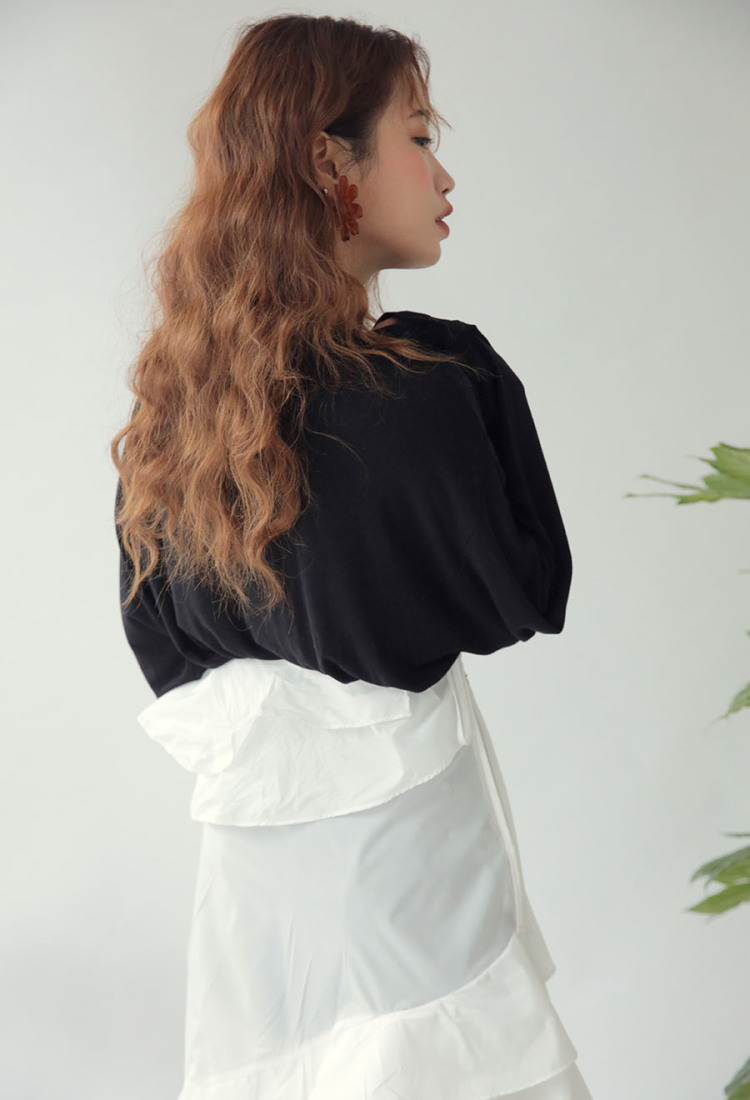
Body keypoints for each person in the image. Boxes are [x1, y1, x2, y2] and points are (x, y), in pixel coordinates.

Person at [111, 13, 592, 1100]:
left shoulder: (176, 421)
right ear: (331, 162)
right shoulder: (417, 394)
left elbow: (165, 650)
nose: (444, 173)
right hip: (411, 880)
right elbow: (520, 589)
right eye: (419, 137)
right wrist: (461, 371)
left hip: (262, 918)